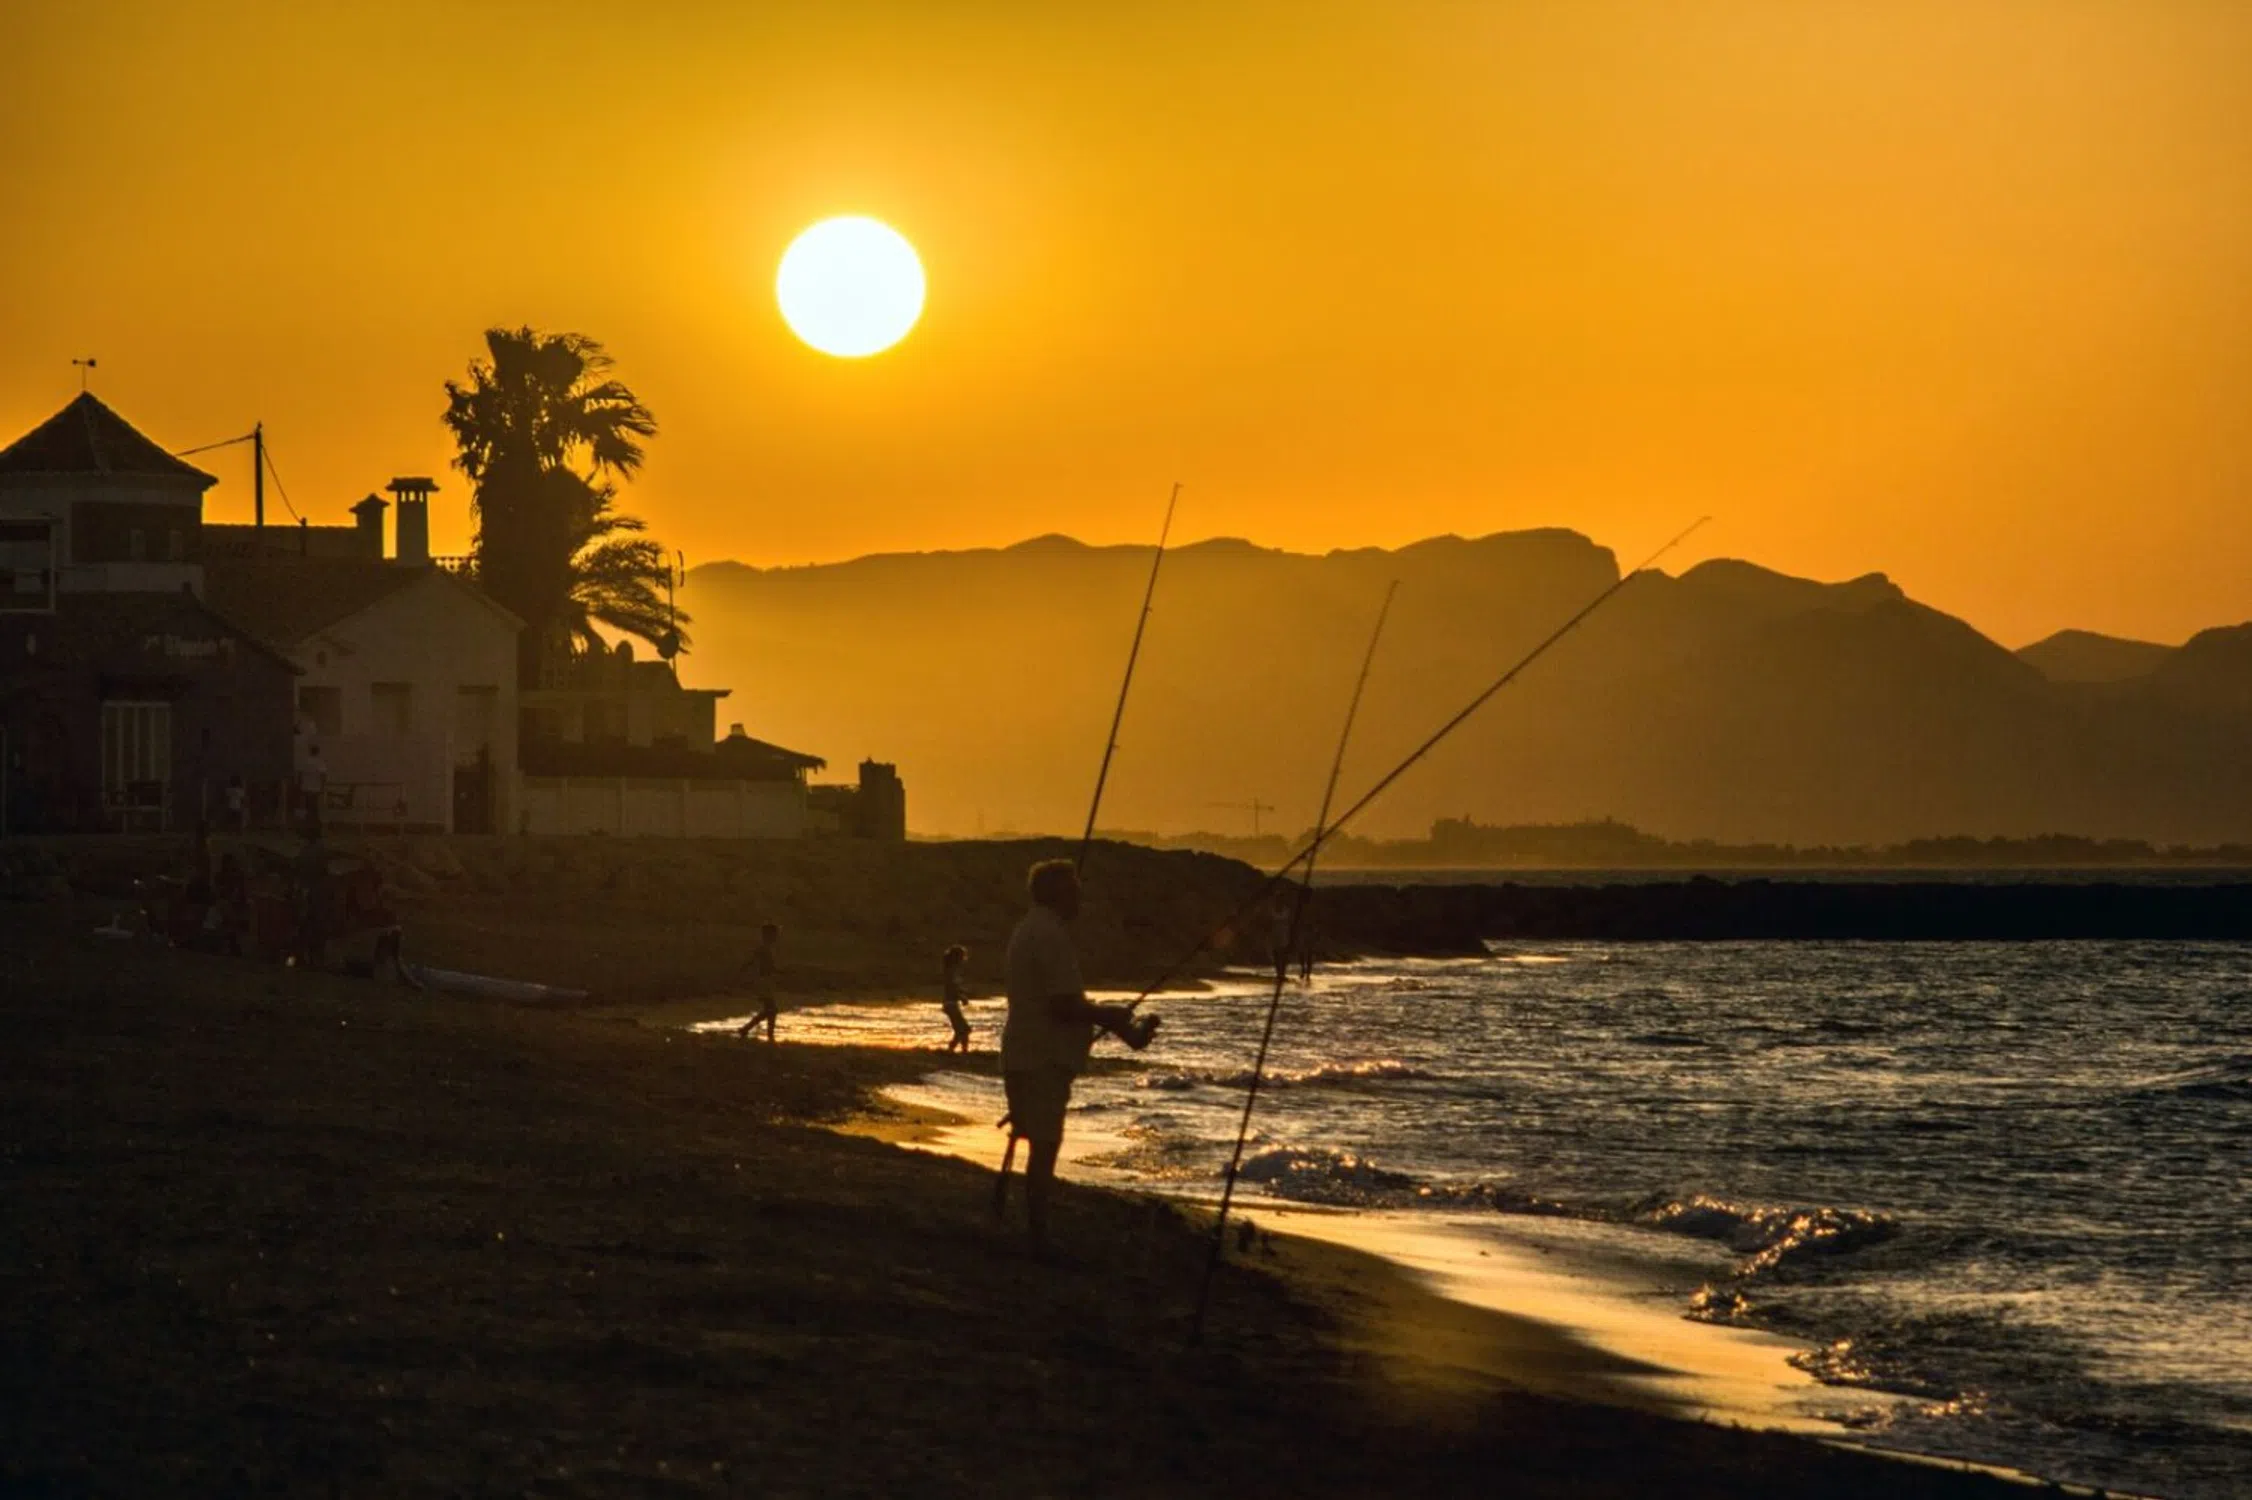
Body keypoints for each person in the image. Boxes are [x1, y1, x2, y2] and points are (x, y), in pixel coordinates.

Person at [997, 858, 1159, 1249]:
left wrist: (1124, 1028)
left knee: (1038, 1140)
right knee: (1045, 1146)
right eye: (1074, 891)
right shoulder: (1048, 936)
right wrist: (1111, 1016)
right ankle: (1038, 1235)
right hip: (1040, 1058)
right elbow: (1063, 1006)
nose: (1080, 899)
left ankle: (1033, 1229)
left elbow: (1061, 1003)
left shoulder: (1031, 928)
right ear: (1057, 893)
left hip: (1027, 1052)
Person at [292, 817, 332, 970]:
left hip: (310, 890)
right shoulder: (319, 849)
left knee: (307, 924)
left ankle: (307, 955)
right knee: (317, 925)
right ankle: (315, 957)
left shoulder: (307, 851)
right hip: (317, 891)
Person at [736, 923, 781, 1041]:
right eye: (774, 934)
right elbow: (752, 961)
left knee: (770, 1010)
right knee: (772, 1009)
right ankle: (767, 1035)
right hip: (763, 982)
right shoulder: (763, 948)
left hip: (766, 981)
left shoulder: (767, 948)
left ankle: (747, 1030)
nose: (776, 937)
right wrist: (742, 971)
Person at [940, 944, 973, 1053]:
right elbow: (952, 987)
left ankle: (958, 1050)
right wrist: (962, 996)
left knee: (962, 1029)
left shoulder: (952, 971)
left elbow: (954, 987)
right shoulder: (951, 972)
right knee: (964, 1029)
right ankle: (957, 1050)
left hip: (951, 1004)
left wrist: (963, 993)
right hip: (950, 1004)